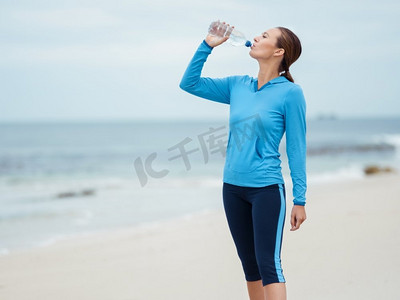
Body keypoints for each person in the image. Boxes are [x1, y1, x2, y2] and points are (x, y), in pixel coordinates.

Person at [179, 21, 307, 300]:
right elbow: (188, 83)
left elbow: (297, 148)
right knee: (249, 266)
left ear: (278, 52)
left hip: (266, 189)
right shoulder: (238, 85)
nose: (256, 37)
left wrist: (300, 199)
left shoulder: (290, 93)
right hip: (232, 188)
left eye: (265, 36)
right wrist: (207, 46)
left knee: (268, 265)